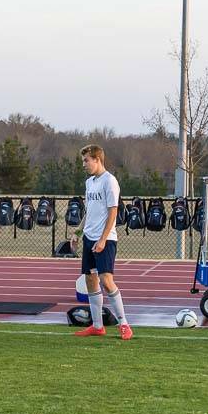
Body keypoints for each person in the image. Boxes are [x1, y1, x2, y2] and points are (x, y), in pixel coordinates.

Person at [73, 144, 133, 340]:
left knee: (107, 281)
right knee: (91, 280)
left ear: (97, 159)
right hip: (89, 238)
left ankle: (124, 324)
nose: (83, 164)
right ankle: (97, 326)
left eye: (86, 160)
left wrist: (103, 239)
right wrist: (77, 232)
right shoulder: (89, 182)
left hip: (105, 239)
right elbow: (89, 211)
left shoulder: (110, 181)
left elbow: (113, 211)